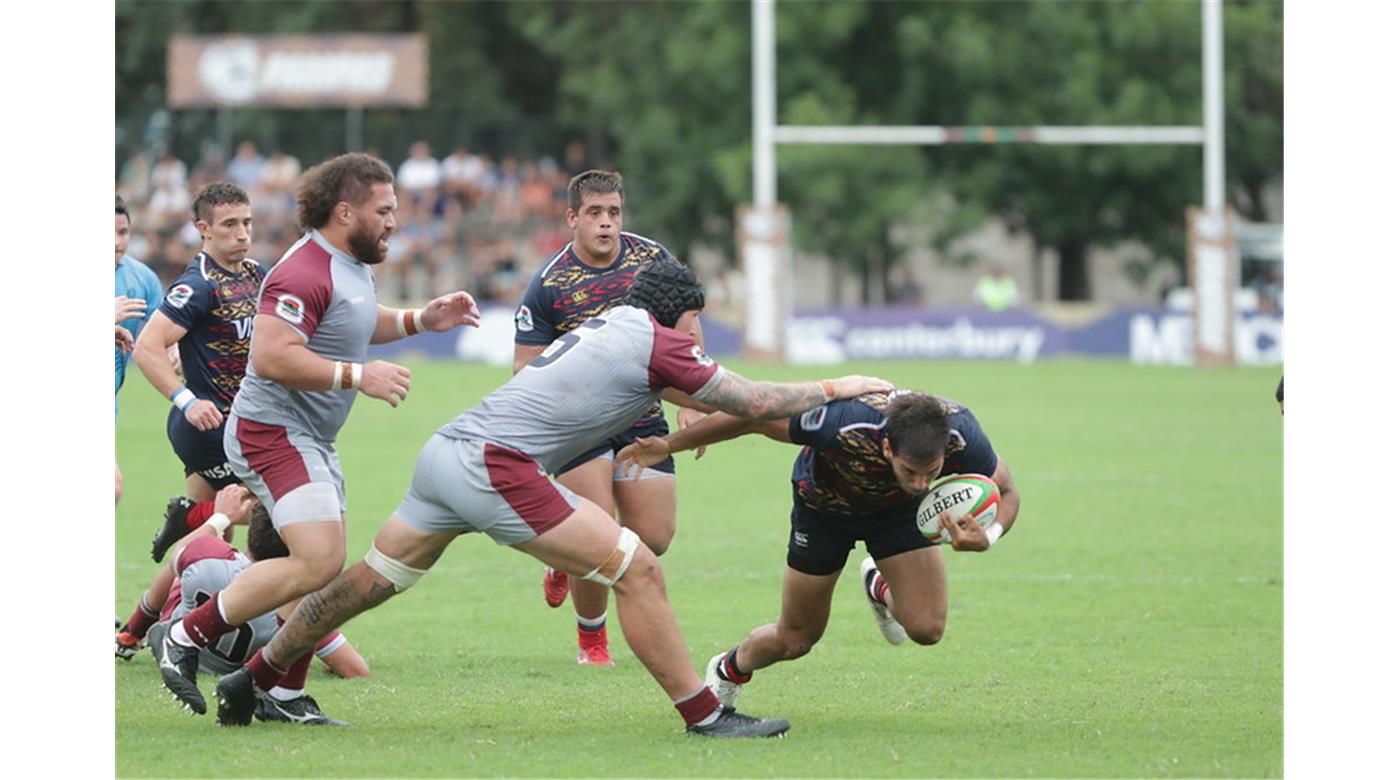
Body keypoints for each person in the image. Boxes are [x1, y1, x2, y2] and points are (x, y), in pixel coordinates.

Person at [212, 256, 893, 737]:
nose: (696, 337)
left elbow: (707, 400)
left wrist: (679, 431)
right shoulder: (659, 341)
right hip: (496, 468)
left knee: (370, 580)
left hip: (447, 453)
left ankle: (257, 674)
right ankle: (705, 714)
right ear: (679, 314)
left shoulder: (613, 326)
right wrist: (840, 386)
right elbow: (751, 396)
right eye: (695, 322)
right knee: (639, 568)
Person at [153, 152, 482, 715]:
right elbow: (273, 354)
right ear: (345, 211)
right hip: (269, 431)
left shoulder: (349, 265)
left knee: (321, 563)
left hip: (307, 435)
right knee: (319, 560)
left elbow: (355, 321)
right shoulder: (304, 268)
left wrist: (423, 320)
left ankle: (277, 690)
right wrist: (359, 376)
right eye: (384, 210)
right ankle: (186, 636)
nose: (394, 221)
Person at [615, 389, 1021, 711]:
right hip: (824, 510)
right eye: (909, 471)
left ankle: (878, 587)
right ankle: (727, 669)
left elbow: (1006, 491)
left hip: (898, 516)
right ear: (886, 448)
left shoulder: (961, 434)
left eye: (930, 473)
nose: (920, 482)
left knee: (927, 630)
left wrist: (990, 536)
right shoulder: (843, 423)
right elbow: (751, 419)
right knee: (797, 639)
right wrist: (669, 445)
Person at [513, 169, 706, 666]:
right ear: (572, 217)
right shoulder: (549, 283)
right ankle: (592, 641)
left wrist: (689, 400)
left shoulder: (652, 260)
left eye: (614, 213)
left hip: (641, 416)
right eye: (595, 214)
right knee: (597, 531)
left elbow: (686, 327)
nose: (606, 224)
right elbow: (525, 369)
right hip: (579, 424)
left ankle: (563, 560)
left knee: (655, 538)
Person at [118, 486, 369, 724]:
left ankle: (135, 634)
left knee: (183, 568)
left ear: (253, 530)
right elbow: (355, 668)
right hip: (236, 659)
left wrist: (221, 517)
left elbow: (178, 555)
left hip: (179, 614)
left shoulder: (212, 558)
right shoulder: (295, 605)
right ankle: (285, 698)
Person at [133, 182, 266, 522]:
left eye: (247, 223)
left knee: (213, 534)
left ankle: (189, 530)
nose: (242, 233)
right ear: (203, 230)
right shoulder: (198, 285)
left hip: (245, 420)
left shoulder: (256, 275)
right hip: (209, 424)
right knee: (273, 516)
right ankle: (187, 518)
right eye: (230, 224)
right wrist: (186, 401)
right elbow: (147, 347)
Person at [115, 195, 165, 505]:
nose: (116, 241)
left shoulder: (143, 279)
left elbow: (160, 339)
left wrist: (173, 354)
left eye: (122, 232)